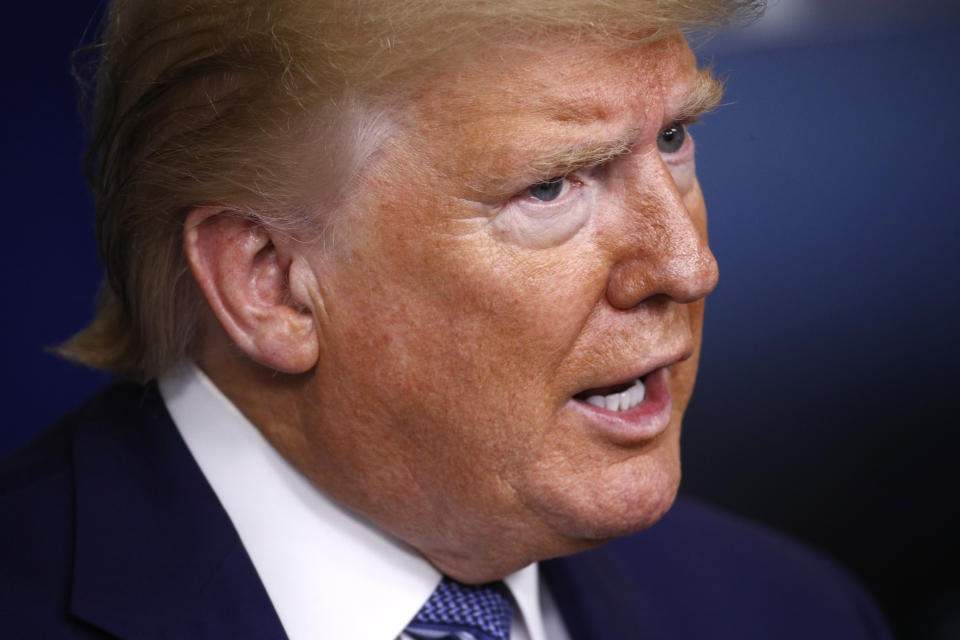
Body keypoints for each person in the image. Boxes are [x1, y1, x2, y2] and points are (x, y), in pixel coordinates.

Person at [0, 1, 892, 638]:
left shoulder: (793, 610)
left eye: (672, 141)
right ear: (268, 282)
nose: (688, 266)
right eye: (551, 186)